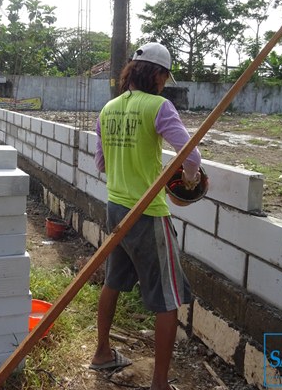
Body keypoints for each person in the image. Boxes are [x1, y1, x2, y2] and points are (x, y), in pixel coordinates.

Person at [90, 42, 202, 390]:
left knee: (114, 280)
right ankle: (159, 384)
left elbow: (101, 163)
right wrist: (189, 180)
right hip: (148, 214)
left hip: (116, 208)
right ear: (156, 74)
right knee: (167, 299)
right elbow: (192, 156)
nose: (164, 84)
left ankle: (102, 353)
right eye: (165, 77)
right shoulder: (158, 106)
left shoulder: (108, 110)